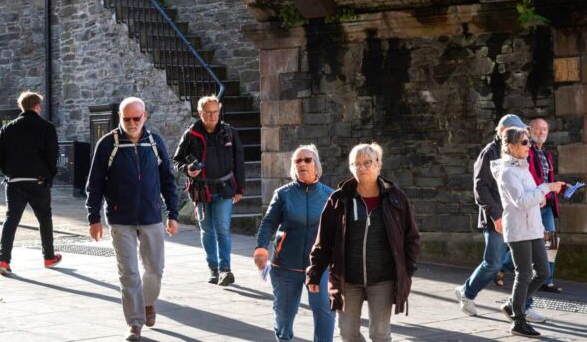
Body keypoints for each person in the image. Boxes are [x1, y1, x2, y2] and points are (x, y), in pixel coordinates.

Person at [85, 97, 179, 342]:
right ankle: (134, 324)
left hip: (151, 215)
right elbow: (94, 184)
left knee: (155, 270)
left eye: (136, 118)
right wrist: (93, 218)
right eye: (126, 119)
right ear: (120, 117)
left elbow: (168, 180)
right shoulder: (108, 144)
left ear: (145, 116)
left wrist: (173, 214)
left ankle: (148, 303)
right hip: (120, 217)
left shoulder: (154, 142)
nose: (132, 123)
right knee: (128, 273)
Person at [307, 143, 419, 342]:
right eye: (356, 164)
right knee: (348, 333)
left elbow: (411, 238)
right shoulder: (339, 199)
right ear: (350, 168)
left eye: (367, 162)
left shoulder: (396, 198)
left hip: (383, 279)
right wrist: (315, 272)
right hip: (347, 279)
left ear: (378, 164)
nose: (362, 168)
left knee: (380, 334)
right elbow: (323, 240)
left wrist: (407, 271)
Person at [454, 113, 545, 323]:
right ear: (504, 131)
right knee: (494, 263)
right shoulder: (489, 153)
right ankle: (467, 293)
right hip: (497, 217)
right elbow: (480, 188)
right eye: (519, 132)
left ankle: (521, 305)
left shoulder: (519, 152)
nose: (525, 139)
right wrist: (495, 215)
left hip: (519, 218)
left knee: (527, 268)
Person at [254, 145, 335, 342]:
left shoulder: (330, 195)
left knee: (325, 313)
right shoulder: (283, 194)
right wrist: (261, 247)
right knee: (283, 316)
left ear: (316, 165)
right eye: (297, 161)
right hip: (286, 266)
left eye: (307, 160)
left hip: (319, 268)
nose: (302, 164)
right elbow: (269, 222)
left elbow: (340, 231)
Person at [491, 127, 565, 338]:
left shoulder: (522, 167)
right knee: (523, 274)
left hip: (532, 228)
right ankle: (518, 320)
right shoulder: (506, 171)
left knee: (542, 271)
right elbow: (521, 201)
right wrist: (547, 188)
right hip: (518, 230)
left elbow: (530, 198)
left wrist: (541, 197)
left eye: (528, 142)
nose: (528, 146)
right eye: (524, 142)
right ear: (510, 146)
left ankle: (512, 305)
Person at [173, 95, 245, 286]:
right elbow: (177, 161)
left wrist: (240, 189)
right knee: (206, 231)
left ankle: (225, 269)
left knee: (222, 228)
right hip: (201, 189)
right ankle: (213, 268)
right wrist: (187, 170)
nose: (212, 116)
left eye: (215, 112)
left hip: (225, 188)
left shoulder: (230, 132)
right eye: (208, 112)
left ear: (219, 112)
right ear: (200, 113)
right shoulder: (190, 134)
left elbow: (239, 162)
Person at [0, 91, 62, 275]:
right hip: (38, 181)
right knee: (44, 219)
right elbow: (52, 154)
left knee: (11, 221)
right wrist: (48, 176)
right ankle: (48, 257)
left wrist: (8, 172)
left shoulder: (8, 128)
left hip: (14, 181)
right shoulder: (46, 127)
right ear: (37, 107)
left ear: (22, 107)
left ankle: (4, 261)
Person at [528, 118, 562, 293]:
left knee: (551, 242)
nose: (541, 132)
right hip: (533, 204)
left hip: (547, 204)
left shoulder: (547, 154)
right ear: (530, 130)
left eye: (544, 130)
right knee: (526, 243)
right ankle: (501, 266)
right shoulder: (526, 151)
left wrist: (559, 186)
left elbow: (547, 179)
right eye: (538, 129)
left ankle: (546, 281)